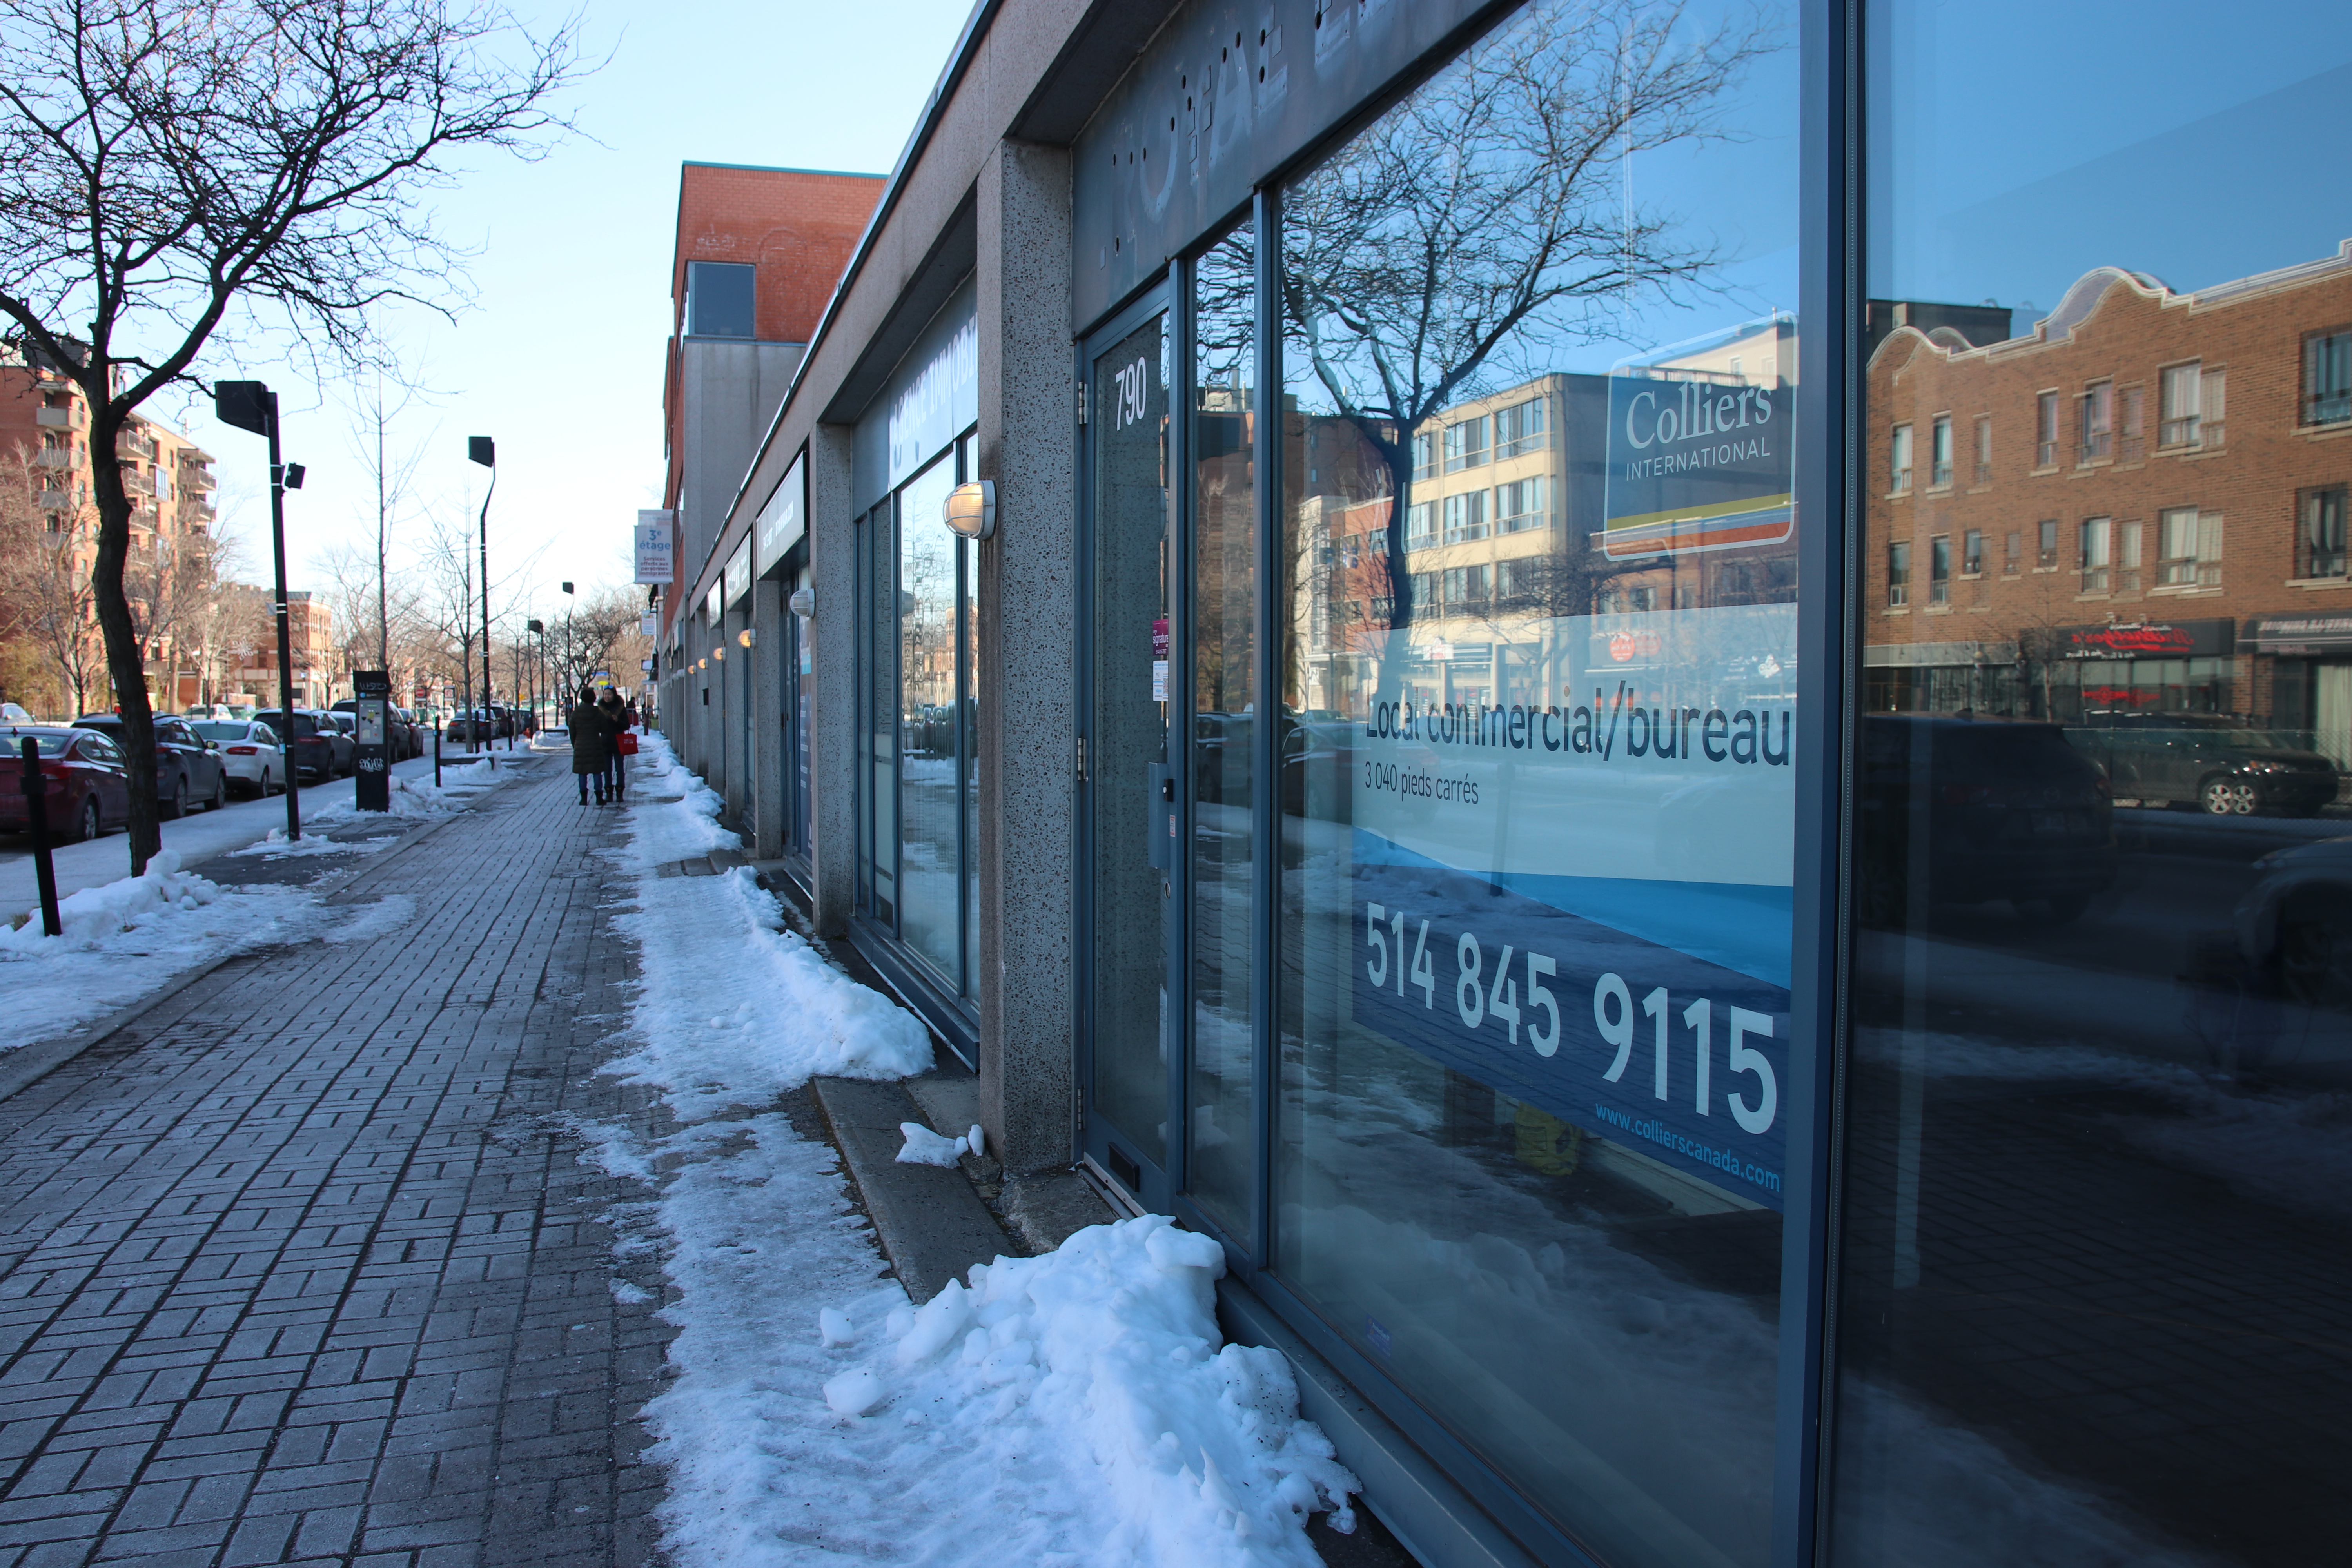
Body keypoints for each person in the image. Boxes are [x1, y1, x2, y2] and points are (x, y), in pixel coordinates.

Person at [568, 685, 612, 804]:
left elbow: (572, 730)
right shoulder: (598, 712)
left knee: (582, 772)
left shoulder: (576, 713)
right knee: (597, 771)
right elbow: (604, 729)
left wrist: (575, 744)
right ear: (593, 699)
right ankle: (599, 797)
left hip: (581, 745)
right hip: (595, 745)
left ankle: (584, 798)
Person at [597, 688, 630, 802]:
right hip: (605, 743)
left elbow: (627, 726)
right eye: (605, 694)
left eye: (609, 695)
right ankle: (609, 793)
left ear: (614, 695)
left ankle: (620, 793)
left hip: (618, 742)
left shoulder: (621, 708)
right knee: (607, 770)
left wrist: (618, 721)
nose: (607, 697)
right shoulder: (600, 709)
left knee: (620, 769)